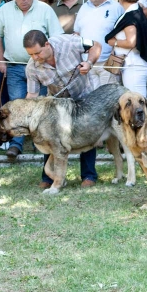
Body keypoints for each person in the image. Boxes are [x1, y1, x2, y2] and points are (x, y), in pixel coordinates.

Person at [23, 30, 101, 188]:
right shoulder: (31, 67)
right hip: (57, 101)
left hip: (84, 93)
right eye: (31, 55)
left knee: (85, 131)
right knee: (49, 135)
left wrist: (89, 63)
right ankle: (48, 178)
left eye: (37, 53)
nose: (34, 58)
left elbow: (96, 46)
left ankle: (89, 176)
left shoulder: (68, 42)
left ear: (47, 44)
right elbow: (32, 94)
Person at [0, 0, 63, 161]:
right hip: (15, 66)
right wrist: (0, 61)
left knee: (39, 107)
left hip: (40, 67)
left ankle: (40, 144)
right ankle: (16, 144)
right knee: (17, 105)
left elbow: (56, 37)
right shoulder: (4, 10)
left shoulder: (45, 9)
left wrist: (51, 62)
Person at [74, 0, 125, 90]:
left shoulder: (117, 8)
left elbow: (122, 36)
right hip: (86, 65)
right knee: (90, 102)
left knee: (108, 102)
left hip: (107, 65)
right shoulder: (83, 8)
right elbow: (76, 33)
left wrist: (115, 62)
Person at [104, 0, 147, 97]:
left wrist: (113, 42)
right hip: (132, 64)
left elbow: (131, 42)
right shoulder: (135, 11)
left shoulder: (131, 15)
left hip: (134, 65)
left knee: (137, 100)